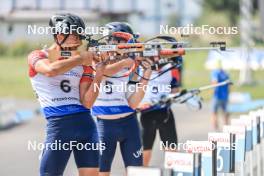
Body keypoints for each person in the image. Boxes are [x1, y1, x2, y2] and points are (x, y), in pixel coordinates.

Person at [28, 13, 106, 176]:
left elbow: (87, 103)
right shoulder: (38, 55)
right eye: (75, 35)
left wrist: (99, 73)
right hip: (58, 126)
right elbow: (51, 70)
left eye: (80, 36)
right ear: (59, 34)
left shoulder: (82, 63)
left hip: (86, 125)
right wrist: (81, 58)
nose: (79, 40)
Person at [91, 22, 153, 176]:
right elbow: (104, 73)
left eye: (127, 42)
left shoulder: (131, 66)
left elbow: (133, 103)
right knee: (102, 173)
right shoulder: (96, 58)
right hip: (103, 126)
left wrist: (146, 75)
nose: (123, 46)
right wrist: (126, 62)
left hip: (129, 124)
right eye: (120, 41)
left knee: (135, 172)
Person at [137, 36, 182, 166]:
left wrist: (175, 95)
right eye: (152, 56)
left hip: (165, 114)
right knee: (144, 154)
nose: (156, 59)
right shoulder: (140, 69)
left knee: (172, 154)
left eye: (158, 55)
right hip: (147, 115)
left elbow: (175, 90)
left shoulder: (170, 68)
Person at [211, 59, 230, 130]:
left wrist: (213, 90)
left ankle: (215, 127)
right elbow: (229, 86)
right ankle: (227, 126)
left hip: (217, 95)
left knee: (214, 112)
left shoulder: (215, 72)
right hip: (225, 96)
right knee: (225, 111)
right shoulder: (225, 73)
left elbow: (214, 82)